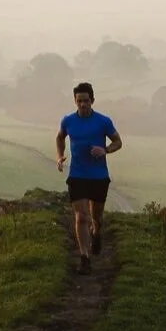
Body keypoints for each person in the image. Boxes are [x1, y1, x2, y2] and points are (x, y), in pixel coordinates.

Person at [55, 82, 121, 270]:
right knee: (81, 216)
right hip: (77, 174)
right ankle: (84, 257)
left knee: (96, 217)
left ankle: (97, 233)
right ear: (75, 102)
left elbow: (118, 141)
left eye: (86, 100)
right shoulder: (68, 121)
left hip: (99, 175)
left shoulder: (103, 121)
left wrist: (105, 150)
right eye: (79, 101)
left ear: (92, 100)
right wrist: (59, 157)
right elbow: (59, 137)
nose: (82, 104)